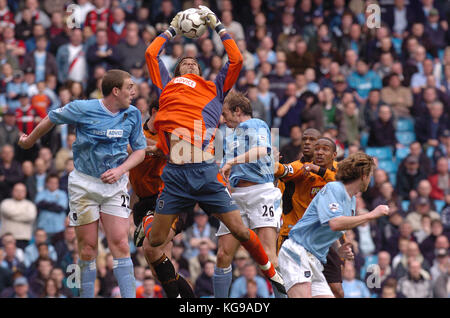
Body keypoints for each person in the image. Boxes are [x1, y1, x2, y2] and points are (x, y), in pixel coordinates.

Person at [144, 5, 284, 295]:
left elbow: (236, 59)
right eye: (186, 62)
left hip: (206, 170)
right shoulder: (167, 85)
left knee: (241, 232)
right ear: (178, 69)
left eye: (195, 63)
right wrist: (170, 29)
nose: (191, 64)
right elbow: (151, 54)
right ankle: (179, 286)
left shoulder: (214, 87)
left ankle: (275, 280)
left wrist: (219, 25)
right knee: (154, 242)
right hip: (175, 174)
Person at [18, 69, 147, 298]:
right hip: (84, 185)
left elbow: (140, 151)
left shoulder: (133, 114)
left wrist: (120, 170)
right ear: (115, 91)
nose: (134, 92)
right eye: (129, 87)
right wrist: (29, 141)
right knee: (87, 249)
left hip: (115, 186)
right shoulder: (83, 108)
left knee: (120, 243)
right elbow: (51, 118)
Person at [278, 152, 390, 297]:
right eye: (370, 175)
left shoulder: (352, 200)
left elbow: (333, 229)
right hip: (297, 252)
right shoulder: (334, 188)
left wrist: (338, 248)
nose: (371, 179)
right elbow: (334, 223)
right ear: (363, 175)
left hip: (315, 260)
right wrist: (372, 214)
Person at [214, 90, 284, 297]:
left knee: (268, 255)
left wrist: (232, 162)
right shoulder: (228, 136)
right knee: (223, 255)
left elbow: (262, 150)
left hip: (260, 193)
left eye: (225, 113)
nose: (223, 118)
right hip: (236, 196)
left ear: (237, 111)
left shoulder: (255, 124)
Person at [129, 99, 195, 298]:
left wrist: (148, 147)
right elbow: (127, 149)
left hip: (168, 198)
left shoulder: (172, 134)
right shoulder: (136, 131)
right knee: (160, 271)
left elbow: (179, 155)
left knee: (152, 248)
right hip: (142, 202)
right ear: (154, 111)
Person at [275, 136, 345, 297]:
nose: (309, 144)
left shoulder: (336, 170)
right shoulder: (299, 168)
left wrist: (344, 243)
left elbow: (344, 185)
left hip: (324, 239)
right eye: (305, 140)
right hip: (296, 237)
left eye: (321, 147)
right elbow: (282, 171)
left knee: (337, 289)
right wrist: (273, 163)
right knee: (294, 287)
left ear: (333, 154)